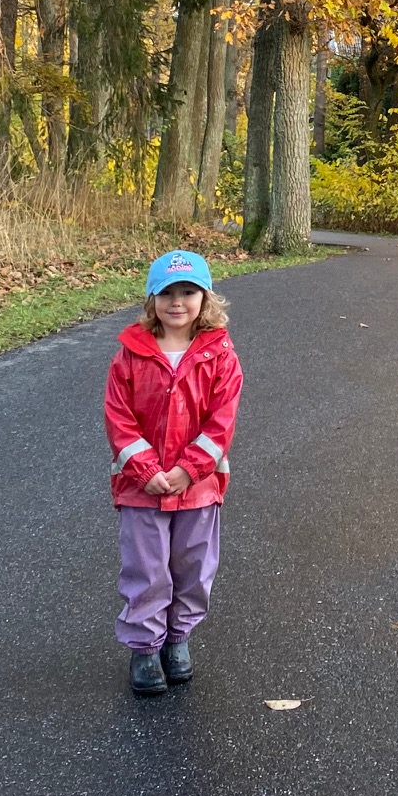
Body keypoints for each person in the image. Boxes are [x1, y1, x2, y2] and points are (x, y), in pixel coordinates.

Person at [104, 248, 242, 696]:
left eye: (188, 292)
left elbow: (221, 421)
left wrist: (188, 470)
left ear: (205, 299)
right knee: (147, 569)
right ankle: (145, 648)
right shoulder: (130, 355)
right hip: (140, 488)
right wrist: (145, 470)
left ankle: (178, 638)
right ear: (151, 300)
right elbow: (119, 418)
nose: (176, 302)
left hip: (199, 488)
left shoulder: (220, 356)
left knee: (193, 566)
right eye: (166, 293)